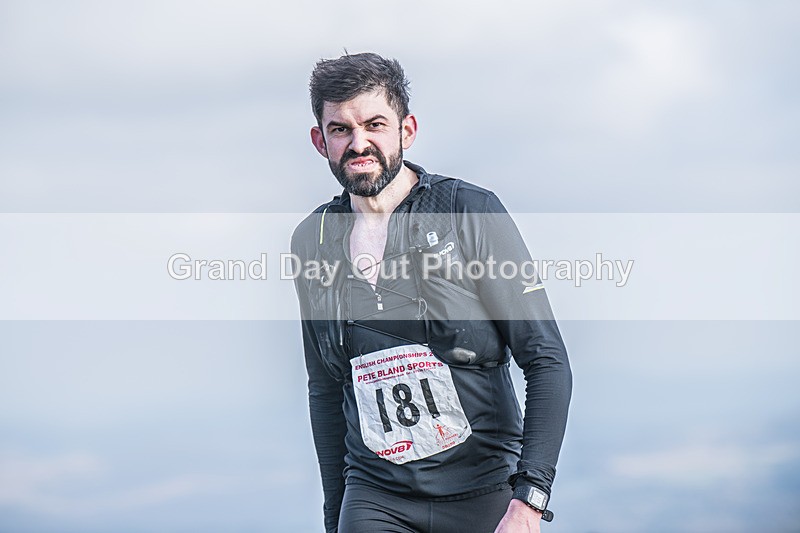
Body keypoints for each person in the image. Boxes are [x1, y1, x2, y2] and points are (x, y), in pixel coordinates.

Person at [291, 52, 572, 533]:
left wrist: (529, 499)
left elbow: (545, 357)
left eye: (375, 124)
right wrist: (334, 518)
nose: (360, 143)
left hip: (485, 492)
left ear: (407, 129)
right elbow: (325, 389)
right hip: (375, 496)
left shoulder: (470, 212)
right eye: (341, 129)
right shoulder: (312, 239)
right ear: (321, 141)